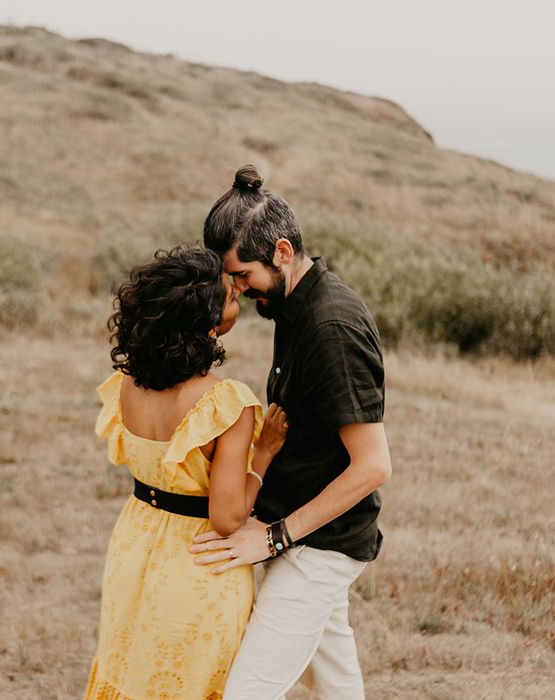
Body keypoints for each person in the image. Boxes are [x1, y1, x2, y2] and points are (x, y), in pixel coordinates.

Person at [191, 164, 392, 699]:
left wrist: (276, 536)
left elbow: (373, 466)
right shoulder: (291, 307)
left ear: (281, 252)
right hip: (299, 531)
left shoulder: (331, 327)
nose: (236, 291)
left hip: (319, 547)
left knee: (245, 694)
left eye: (241, 276)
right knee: (337, 684)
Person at [84, 245, 288, 700]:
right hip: (197, 561)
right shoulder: (225, 403)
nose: (239, 297)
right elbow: (227, 518)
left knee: (131, 672)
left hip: (134, 544)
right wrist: (265, 454)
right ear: (210, 325)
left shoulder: (128, 385)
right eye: (231, 299)